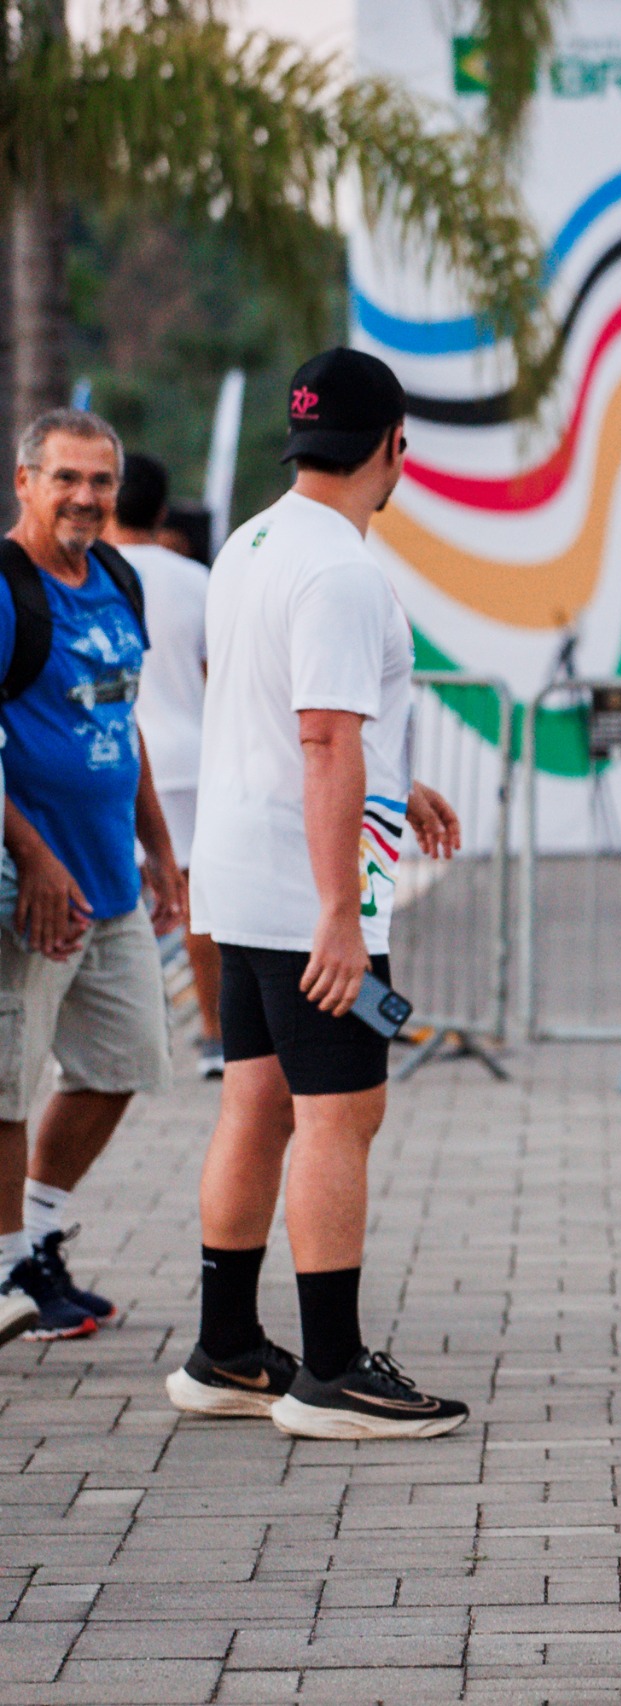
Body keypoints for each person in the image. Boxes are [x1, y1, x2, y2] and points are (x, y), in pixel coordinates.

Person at [167, 347, 467, 1437]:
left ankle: (226, 1348)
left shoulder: (252, 540)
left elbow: (297, 711)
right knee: (342, 1111)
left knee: (254, 1097)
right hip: (307, 892)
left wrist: (403, 780)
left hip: (240, 870)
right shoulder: (343, 568)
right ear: (395, 448)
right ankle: (331, 1369)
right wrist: (340, 910)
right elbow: (325, 731)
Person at [0, 410, 186, 1343]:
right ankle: (3, 1277)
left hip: (110, 880)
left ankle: (30, 1244)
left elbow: (127, 721)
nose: (85, 497)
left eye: (101, 482)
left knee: (119, 1065)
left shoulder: (117, 577)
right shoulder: (4, 587)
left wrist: (160, 846)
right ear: (25, 480)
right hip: (23, 894)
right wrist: (32, 854)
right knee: (4, 1084)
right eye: (66, 477)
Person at [105, 453, 222, 1080]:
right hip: (192, 758)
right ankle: (213, 1034)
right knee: (197, 902)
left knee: (117, 903)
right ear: (160, 511)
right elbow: (216, 677)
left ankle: (117, 1032)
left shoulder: (93, 574)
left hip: (116, 758)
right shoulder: (196, 579)